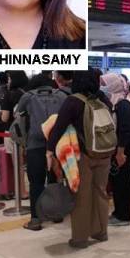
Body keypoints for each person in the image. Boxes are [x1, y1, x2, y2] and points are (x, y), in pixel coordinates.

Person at [47, 70, 113, 248]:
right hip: (104, 152)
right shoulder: (103, 100)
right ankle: (101, 232)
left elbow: (59, 126)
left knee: (81, 195)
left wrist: (50, 150)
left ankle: (80, 238)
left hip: (83, 155)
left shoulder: (73, 101)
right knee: (100, 192)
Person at [17, 71, 68, 231]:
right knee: (55, 178)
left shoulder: (28, 97)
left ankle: (36, 219)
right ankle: (56, 213)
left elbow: (18, 114)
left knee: (36, 182)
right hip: (56, 144)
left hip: (35, 144)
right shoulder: (61, 96)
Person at [101, 73, 130, 227]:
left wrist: (121, 152)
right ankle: (119, 212)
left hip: (122, 149)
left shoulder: (123, 105)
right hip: (118, 148)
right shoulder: (114, 103)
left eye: (105, 83)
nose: (102, 86)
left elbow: (125, 130)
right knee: (118, 181)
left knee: (122, 182)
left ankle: (123, 215)